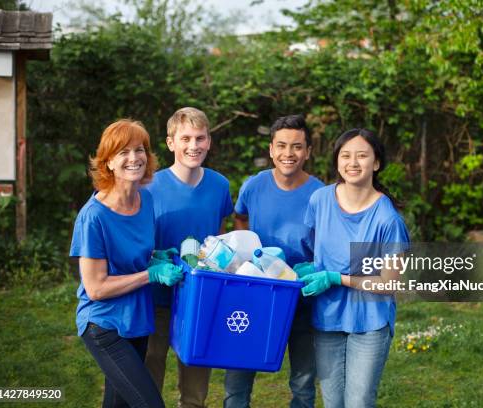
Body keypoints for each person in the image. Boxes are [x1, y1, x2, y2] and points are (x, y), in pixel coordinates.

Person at [71, 119, 184, 408]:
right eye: (123, 152)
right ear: (108, 162)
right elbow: (96, 288)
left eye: (139, 150)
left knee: (118, 404)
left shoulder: (144, 200)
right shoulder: (93, 217)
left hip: (137, 319)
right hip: (104, 324)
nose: (134, 158)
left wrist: (155, 258)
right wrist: (151, 274)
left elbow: (134, 256)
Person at [300, 128, 410, 408]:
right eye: (345, 155)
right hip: (327, 316)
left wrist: (337, 277)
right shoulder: (320, 201)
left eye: (362, 156)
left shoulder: (388, 220)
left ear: (376, 163)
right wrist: (312, 267)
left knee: (358, 402)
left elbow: (389, 283)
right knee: (333, 401)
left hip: (370, 320)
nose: (353, 162)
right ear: (337, 162)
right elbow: (312, 246)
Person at [224, 114, 324, 408]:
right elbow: (240, 218)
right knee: (237, 379)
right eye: (281, 146)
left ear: (307, 151)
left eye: (296, 147)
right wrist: (246, 259)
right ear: (271, 149)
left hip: (301, 297)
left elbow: (327, 241)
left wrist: (314, 268)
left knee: (303, 382)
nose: (288, 154)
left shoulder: (320, 194)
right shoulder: (253, 186)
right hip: (253, 295)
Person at [144, 107, 234, 408]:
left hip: (199, 297)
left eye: (200, 138)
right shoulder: (149, 187)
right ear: (171, 143)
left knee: (196, 385)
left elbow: (217, 236)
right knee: (149, 371)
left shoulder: (220, 186)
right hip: (155, 296)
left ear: (209, 141)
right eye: (185, 138)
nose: (193, 146)